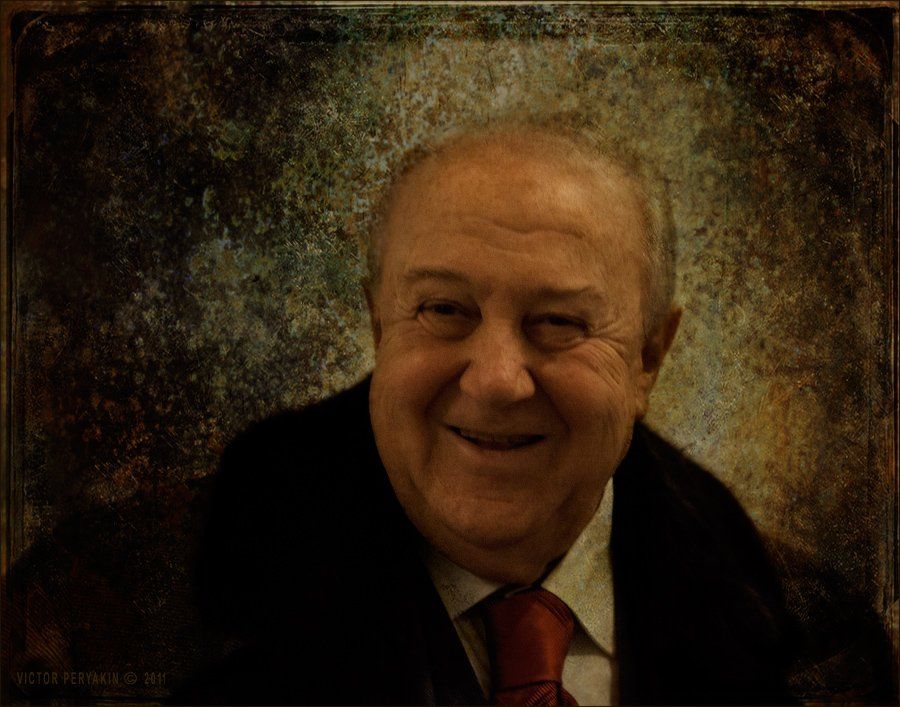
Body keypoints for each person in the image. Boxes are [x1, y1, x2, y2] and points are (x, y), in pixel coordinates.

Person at [181, 123, 795, 705]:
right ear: (379, 328)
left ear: (648, 358)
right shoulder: (157, 610)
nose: (497, 381)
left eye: (558, 321)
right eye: (445, 310)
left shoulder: (811, 638)